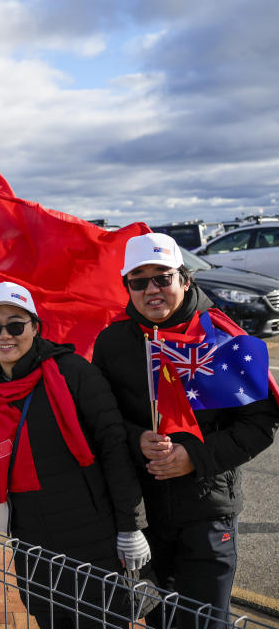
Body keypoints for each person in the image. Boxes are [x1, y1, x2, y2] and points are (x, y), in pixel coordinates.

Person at [92, 233, 279, 627]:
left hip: (208, 512)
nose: (151, 290)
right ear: (127, 286)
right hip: (144, 513)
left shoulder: (224, 338)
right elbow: (102, 421)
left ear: (185, 278)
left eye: (162, 277)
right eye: (138, 281)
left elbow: (260, 424)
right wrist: (135, 437)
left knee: (205, 622)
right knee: (159, 620)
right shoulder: (111, 342)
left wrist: (194, 457)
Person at [0, 282, 149, 629]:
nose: (4, 335)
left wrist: (132, 526)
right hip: (32, 543)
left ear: (35, 327)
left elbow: (114, 448)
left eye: (16, 324)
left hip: (91, 538)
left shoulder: (73, 373)